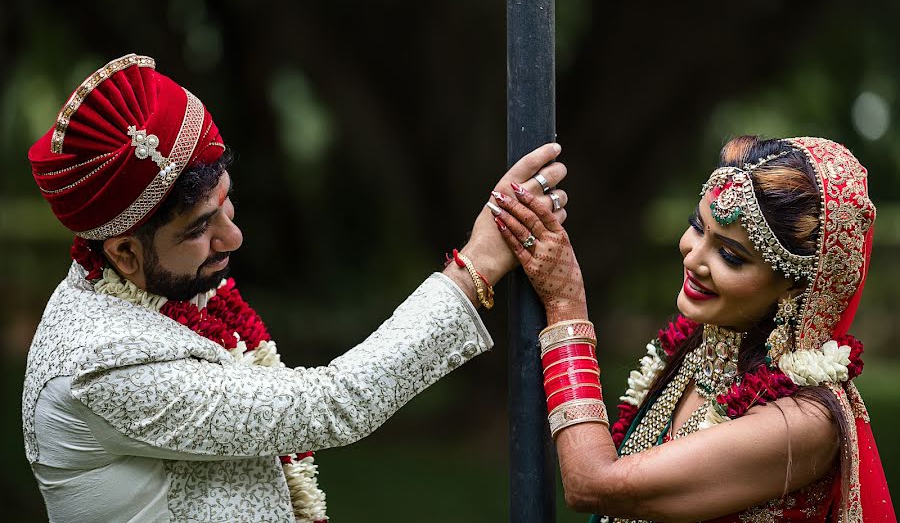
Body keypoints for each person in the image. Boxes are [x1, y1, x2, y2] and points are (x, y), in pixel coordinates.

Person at [22, 53, 569, 523]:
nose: (232, 235)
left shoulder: (161, 294)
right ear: (123, 252)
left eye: (225, 202)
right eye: (199, 229)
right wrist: (475, 265)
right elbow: (332, 404)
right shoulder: (101, 365)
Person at [491, 135, 896, 522]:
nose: (693, 257)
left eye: (730, 255)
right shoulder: (694, 347)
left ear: (793, 285)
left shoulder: (804, 421)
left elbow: (591, 484)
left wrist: (565, 306)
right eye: (698, 226)